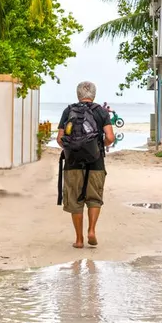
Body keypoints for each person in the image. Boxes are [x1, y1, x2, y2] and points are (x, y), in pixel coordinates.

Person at [57, 81, 115, 249]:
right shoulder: (101, 112)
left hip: (73, 162)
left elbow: (60, 139)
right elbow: (110, 138)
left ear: (78, 95)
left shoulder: (68, 111)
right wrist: (96, 146)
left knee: (75, 200)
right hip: (96, 162)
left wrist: (73, 147)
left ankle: (79, 239)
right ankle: (91, 230)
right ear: (94, 95)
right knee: (94, 198)